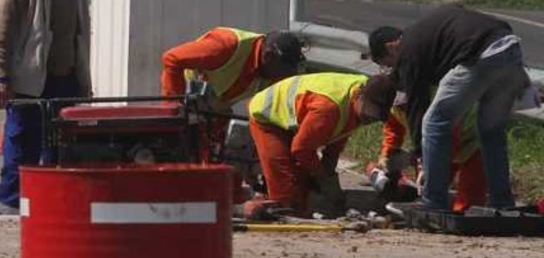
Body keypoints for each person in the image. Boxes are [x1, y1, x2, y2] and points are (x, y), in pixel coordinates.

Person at [369, 5, 531, 211]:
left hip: (481, 55)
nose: (394, 69)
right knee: (490, 132)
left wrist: (421, 155)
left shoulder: (407, 50)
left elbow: (418, 104)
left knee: (434, 123)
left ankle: (433, 202)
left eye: (389, 64)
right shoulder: (430, 39)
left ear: (391, 47)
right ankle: (502, 203)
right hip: (510, 49)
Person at [0, 0, 92, 214]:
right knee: (23, 145)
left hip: (66, 79)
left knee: (62, 150)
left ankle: (49, 210)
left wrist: (83, 81)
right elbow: (2, 26)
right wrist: (1, 76)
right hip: (31, 80)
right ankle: (10, 209)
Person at [247, 72, 396, 216]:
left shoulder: (361, 102)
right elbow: (301, 149)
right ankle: (275, 211)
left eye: (375, 117)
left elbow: (334, 146)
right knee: (286, 186)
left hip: (296, 119)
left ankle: (293, 206)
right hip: (267, 117)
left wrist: (328, 176)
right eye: (369, 114)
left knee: (303, 183)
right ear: (359, 97)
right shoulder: (329, 109)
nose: (370, 120)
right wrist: (321, 176)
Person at [373, 91, 485, 213]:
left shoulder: (437, 108)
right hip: (441, 146)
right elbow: (393, 131)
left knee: (469, 203)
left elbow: (447, 141)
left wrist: (427, 169)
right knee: (431, 193)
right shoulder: (395, 109)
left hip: (475, 143)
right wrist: (386, 156)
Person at [160, 27, 305, 109]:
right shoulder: (225, 46)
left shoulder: (271, 67)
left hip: (215, 110)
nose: (284, 78)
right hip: (189, 104)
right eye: (284, 72)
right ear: (268, 57)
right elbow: (172, 59)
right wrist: (172, 111)